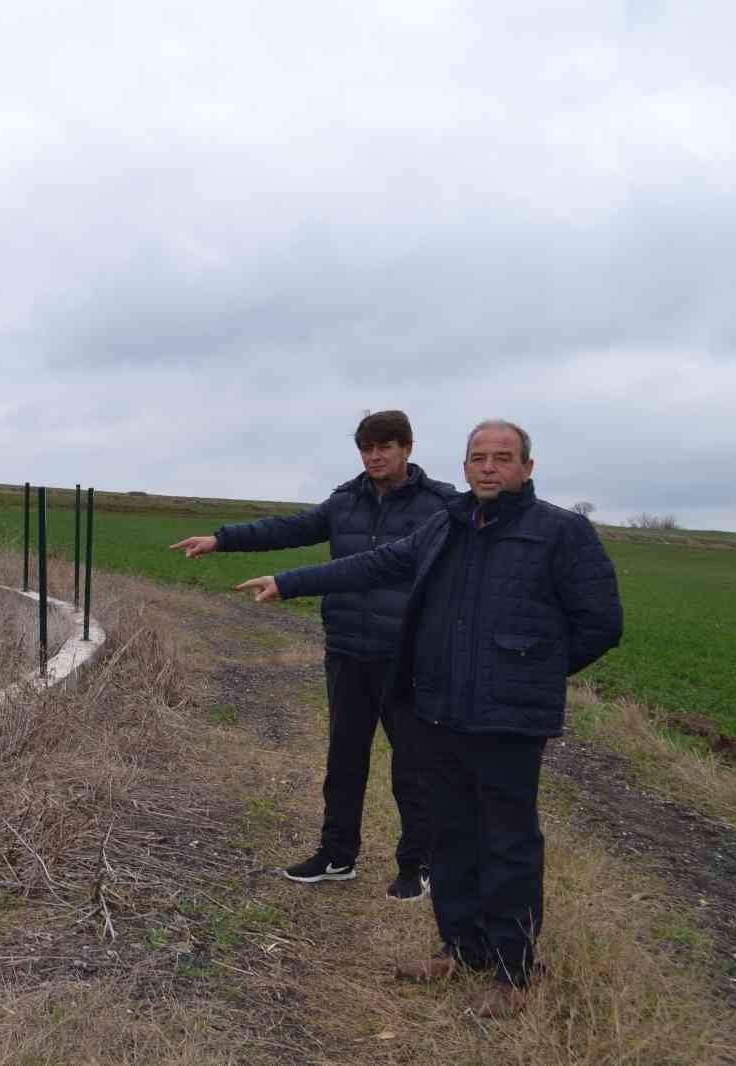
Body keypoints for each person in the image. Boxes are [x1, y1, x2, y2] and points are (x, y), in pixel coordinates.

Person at [233, 420, 623, 1018]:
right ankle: (460, 949)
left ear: (527, 466)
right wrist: (289, 582)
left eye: (502, 457)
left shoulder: (560, 532)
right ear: (464, 466)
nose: (488, 467)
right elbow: (373, 565)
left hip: (508, 721)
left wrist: (530, 672)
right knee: (451, 834)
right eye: (478, 457)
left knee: (509, 842)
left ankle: (514, 971)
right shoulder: (448, 524)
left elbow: (601, 623)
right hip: (438, 710)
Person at [170, 410, 453, 901]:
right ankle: (337, 855)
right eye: (366, 448)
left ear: (407, 448)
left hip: (407, 657)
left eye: (384, 447)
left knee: (413, 765)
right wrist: (222, 538)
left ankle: (417, 864)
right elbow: (288, 528)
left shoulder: (441, 505)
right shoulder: (345, 501)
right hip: (346, 649)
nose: (374, 457)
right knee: (344, 760)